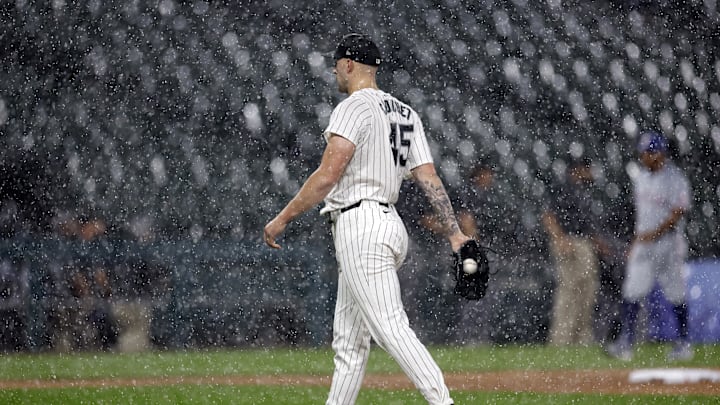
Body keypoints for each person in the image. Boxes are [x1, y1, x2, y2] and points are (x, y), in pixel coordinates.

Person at [263, 33, 470, 405]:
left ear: (348, 64)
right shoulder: (405, 112)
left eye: (336, 64)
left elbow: (327, 176)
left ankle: (445, 403)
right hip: (387, 224)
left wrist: (283, 218)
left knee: (391, 328)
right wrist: (455, 234)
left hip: (361, 226)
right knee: (349, 341)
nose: (334, 71)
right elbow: (429, 178)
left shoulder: (353, 106)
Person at [606, 130, 693, 361]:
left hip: (668, 244)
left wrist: (653, 233)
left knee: (676, 293)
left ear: (658, 153)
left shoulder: (676, 179)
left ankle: (683, 343)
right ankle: (626, 343)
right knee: (631, 291)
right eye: (643, 152)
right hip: (644, 243)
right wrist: (637, 240)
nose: (643, 156)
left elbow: (678, 213)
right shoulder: (641, 178)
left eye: (648, 152)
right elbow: (642, 215)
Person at [540, 156, 600, 345]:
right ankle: (561, 339)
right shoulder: (563, 187)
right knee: (569, 290)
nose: (589, 173)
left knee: (587, 290)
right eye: (586, 168)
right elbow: (547, 215)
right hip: (568, 241)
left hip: (582, 242)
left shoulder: (584, 190)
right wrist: (559, 238)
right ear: (577, 169)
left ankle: (580, 338)